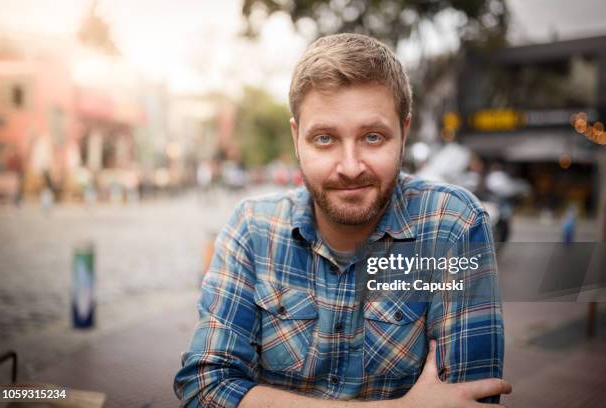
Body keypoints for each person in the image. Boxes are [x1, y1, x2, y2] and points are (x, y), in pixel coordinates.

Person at [174, 33, 508, 407]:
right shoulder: (253, 229)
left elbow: (468, 401)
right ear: (296, 137)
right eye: (324, 139)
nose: (350, 167)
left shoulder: (452, 226)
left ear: (404, 132)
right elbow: (204, 387)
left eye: (373, 136)